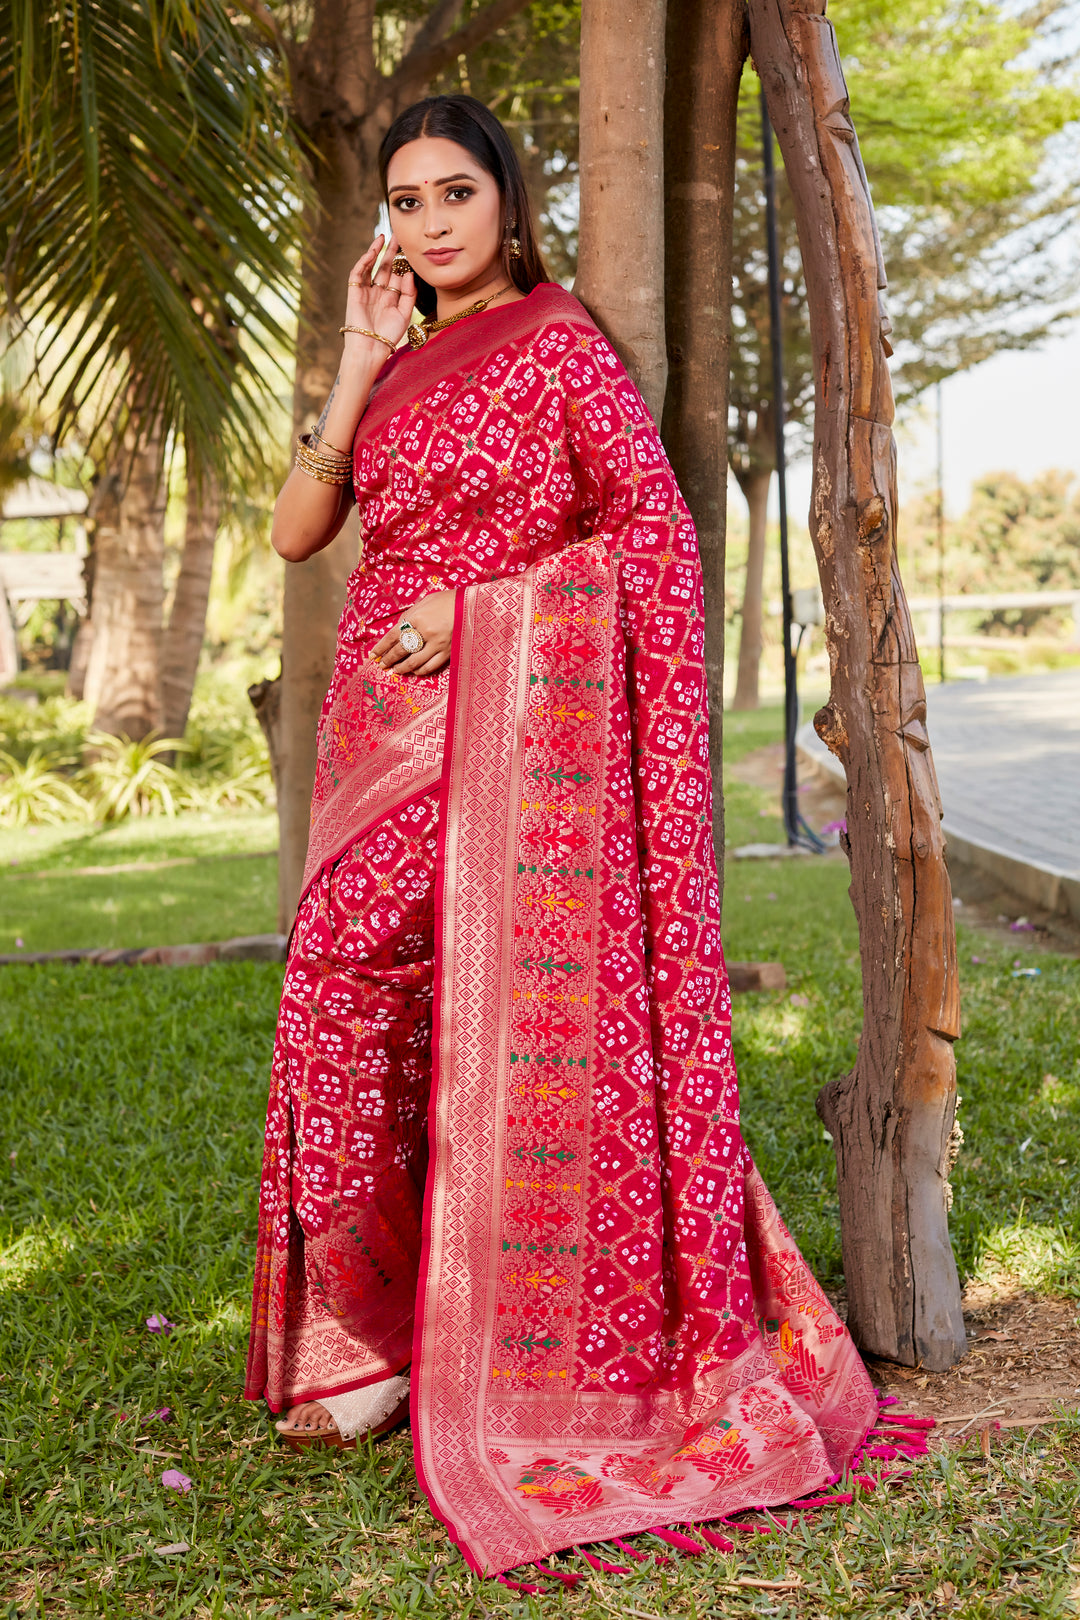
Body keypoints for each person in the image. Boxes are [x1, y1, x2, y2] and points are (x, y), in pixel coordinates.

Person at [246, 93, 878, 1582]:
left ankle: (467, 1347)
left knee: (493, 1029)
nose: (429, 222)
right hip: (377, 744)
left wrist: (476, 612)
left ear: (509, 201)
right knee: (342, 998)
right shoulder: (397, 368)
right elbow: (293, 532)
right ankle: (365, 1347)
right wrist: (352, 361)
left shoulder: (563, 346)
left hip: (516, 740)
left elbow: (650, 542)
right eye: (404, 203)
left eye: (455, 192)